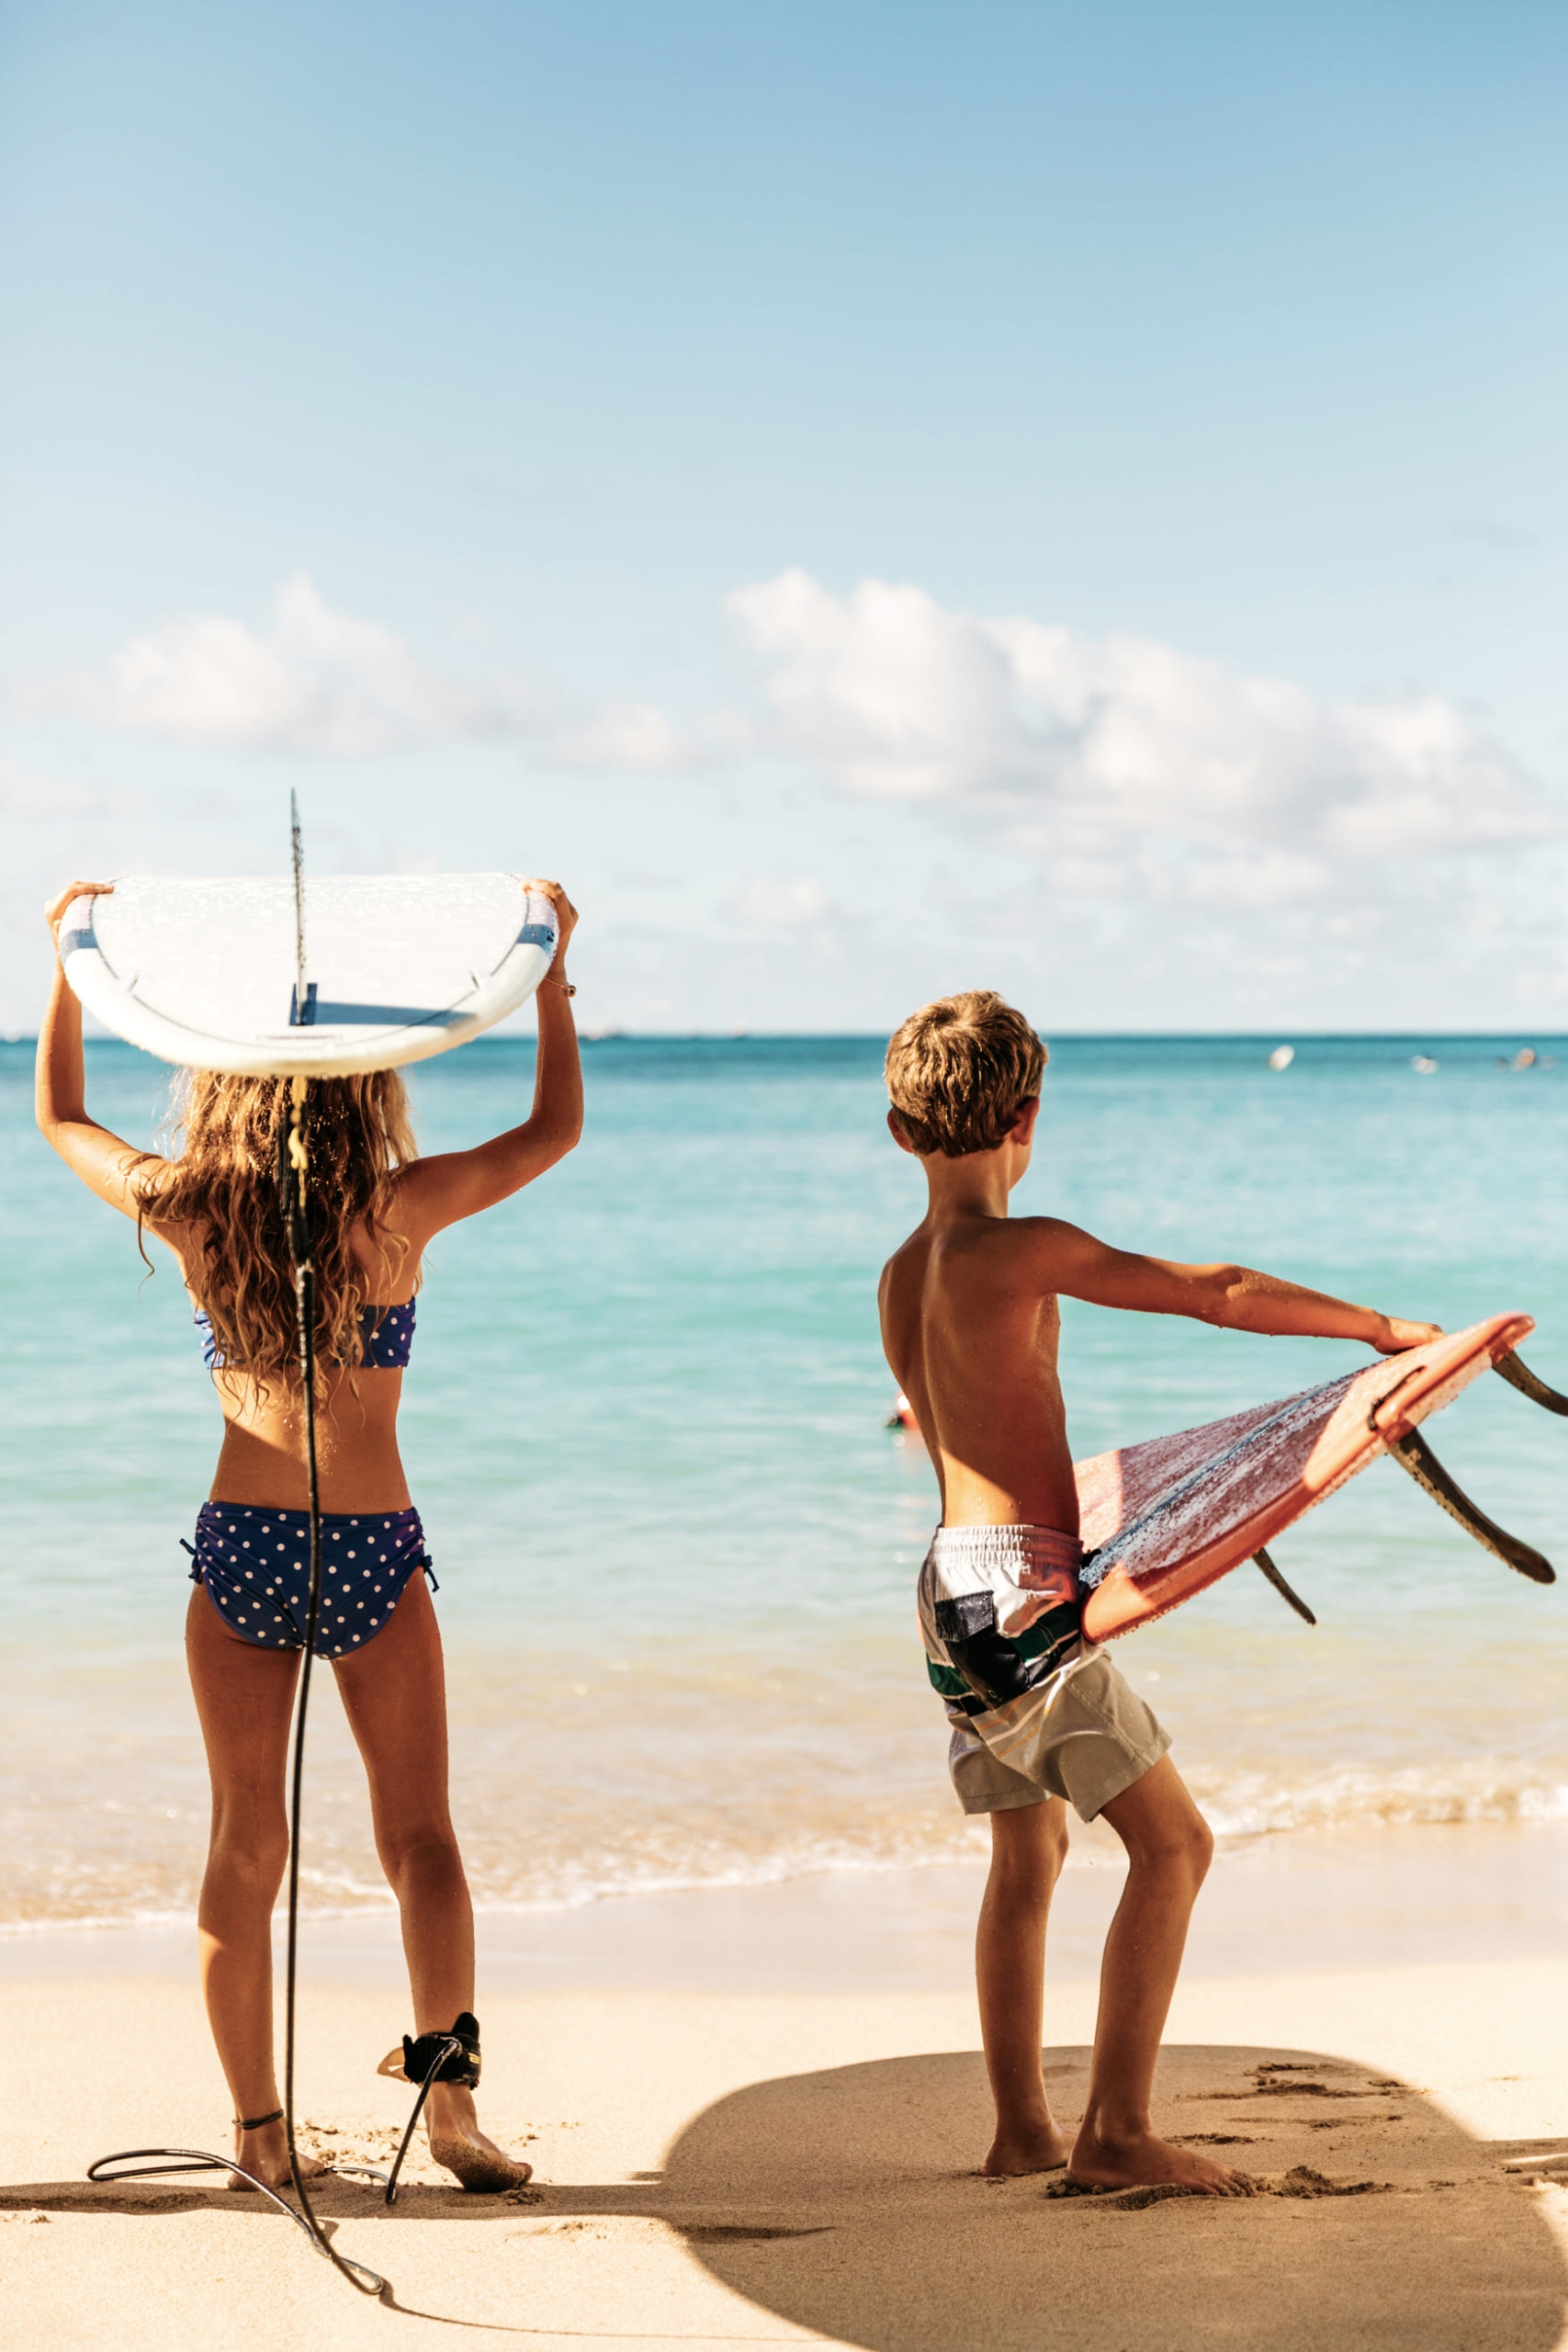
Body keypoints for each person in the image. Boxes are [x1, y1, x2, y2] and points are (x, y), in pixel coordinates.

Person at [37, 875, 582, 2195]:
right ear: (364, 1081)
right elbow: (553, 1128)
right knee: (423, 1839)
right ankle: (448, 2117)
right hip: (374, 1549)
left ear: (224, 1082)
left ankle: (259, 2145)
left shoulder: (190, 1209)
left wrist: (72, 966)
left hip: (242, 1548)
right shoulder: (398, 1212)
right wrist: (551, 974)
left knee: (243, 1845)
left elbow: (58, 1115)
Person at [877, 991, 1440, 2195]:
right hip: (1024, 1597)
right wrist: (1385, 1329)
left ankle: (1021, 2129)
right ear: (1028, 1117)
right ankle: (1116, 2132)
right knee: (1174, 1847)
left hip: (944, 1600)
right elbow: (1213, 1289)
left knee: (1022, 1869)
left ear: (898, 1131)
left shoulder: (899, 1276)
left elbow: (954, 1427)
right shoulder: (1024, 1249)